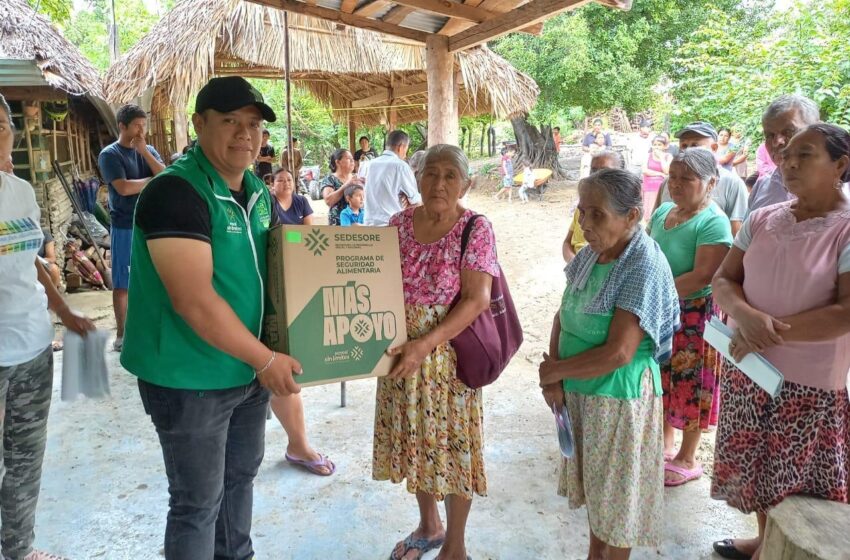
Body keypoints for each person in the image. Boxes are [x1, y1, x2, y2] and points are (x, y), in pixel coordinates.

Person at [120, 76, 302, 559]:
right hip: (189, 379)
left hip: (246, 372)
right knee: (197, 503)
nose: (245, 134)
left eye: (254, 125)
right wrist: (266, 360)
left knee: (239, 482)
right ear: (199, 124)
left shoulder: (260, 195)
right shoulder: (174, 192)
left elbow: (290, 269)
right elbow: (194, 301)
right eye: (229, 121)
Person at [710, 123, 850, 560]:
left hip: (807, 389)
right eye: (787, 153)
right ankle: (764, 542)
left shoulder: (845, 230)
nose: (788, 161)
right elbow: (723, 279)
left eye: (805, 154)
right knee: (756, 468)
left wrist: (763, 331)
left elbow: (846, 312)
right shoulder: (762, 218)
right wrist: (747, 317)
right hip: (749, 368)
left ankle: (784, 551)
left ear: (840, 165)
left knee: (799, 480)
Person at [539, 168, 680, 560]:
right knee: (600, 502)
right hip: (582, 395)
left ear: (632, 216)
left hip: (619, 401)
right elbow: (562, 315)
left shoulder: (642, 265)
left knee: (618, 509)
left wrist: (557, 373)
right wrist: (554, 377)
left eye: (596, 214)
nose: (584, 224)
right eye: (582, 212)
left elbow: (619, 352)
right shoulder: (590, 256)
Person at [374, 144, 499, 560]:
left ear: (465, 183)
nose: (439, 183)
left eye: (450, 175)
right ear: (418, 178)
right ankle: (429, 525)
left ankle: (456, 547)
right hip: (399, 352)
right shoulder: (398, 223)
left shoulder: (475, 228)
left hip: (447, 358)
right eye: (431, 173)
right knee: (417, 441)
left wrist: (424, 345)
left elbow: (477, 299)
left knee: (453, 448)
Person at [0, 92, 96, 560]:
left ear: (11, 134)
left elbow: (30, 258)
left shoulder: (19, 192)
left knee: (24, 459)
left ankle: (20, 550)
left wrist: (61, 309)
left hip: (32, 345)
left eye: (0, 126)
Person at [647, 148, 732, 486]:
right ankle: (665, 444)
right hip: (660, 308)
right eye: (673, 177)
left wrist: (658, 294)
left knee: (693, 380)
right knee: (662, 372)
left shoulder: (713, 221)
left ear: (710, 182)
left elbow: (703, 275)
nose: (677, 185)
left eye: (687, 179)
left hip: (695, 313)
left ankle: (688, 455)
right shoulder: (664, 212)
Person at [97, 104, 165, 352]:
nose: (141, 130)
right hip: (125, 224)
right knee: (123, 283)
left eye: (144, 125)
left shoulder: (148, 150)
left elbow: (165, 175)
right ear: (122, 126)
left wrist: (145, 152)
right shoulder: (110, 154)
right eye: (137, 125)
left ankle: (148, 329)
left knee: (153, 278)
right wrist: (151, 181)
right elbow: (123, 188)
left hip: (151, 223)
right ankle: (122, 333)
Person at [654, 121, 748, 235]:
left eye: (695, 145)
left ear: (714, 148)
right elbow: (655, 222)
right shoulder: (669, 182)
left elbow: (737, 234)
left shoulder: (733, 183)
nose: (688, 151)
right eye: (683, 146)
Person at [748, 94, 820, 214]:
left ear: (818, 129)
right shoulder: (762, 186)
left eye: (789, 131)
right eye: (770, 135)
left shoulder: (840, 192)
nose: (777, 142)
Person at [562, 150, 625, 262]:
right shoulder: (583, 206)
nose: (597, 176)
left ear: (621, 174)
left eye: (605, 171)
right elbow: (567, 242)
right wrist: (574, 264)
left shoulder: (622, 213)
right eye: (593, 170)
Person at [362, 130, 422, 227]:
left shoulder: (369, 165)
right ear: (401, 147)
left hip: (369, 226)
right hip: (391, 226)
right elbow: (416, 202)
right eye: (406, 149)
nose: (405, 154)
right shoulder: (401, 166)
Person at [321, 149, 362, 226]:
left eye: (352, 158)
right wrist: (346, 185)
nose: (352, 160)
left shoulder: (356, 177)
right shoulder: (330, 179)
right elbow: (328, 201)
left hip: (358, 223)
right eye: (348, 158)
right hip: (338, 225)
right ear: (338, 162)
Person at [641, 135, 672, 219]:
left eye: (659, 145)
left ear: (664, 146)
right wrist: (660, 174)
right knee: (649, 212)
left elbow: (667, 171)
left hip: (662, 187)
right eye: (655, 145)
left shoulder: (668, 156)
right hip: (649, 186)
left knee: (661, 211)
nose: (656, 147)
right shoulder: (648, 155)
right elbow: (644, 170)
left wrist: (661, 157)